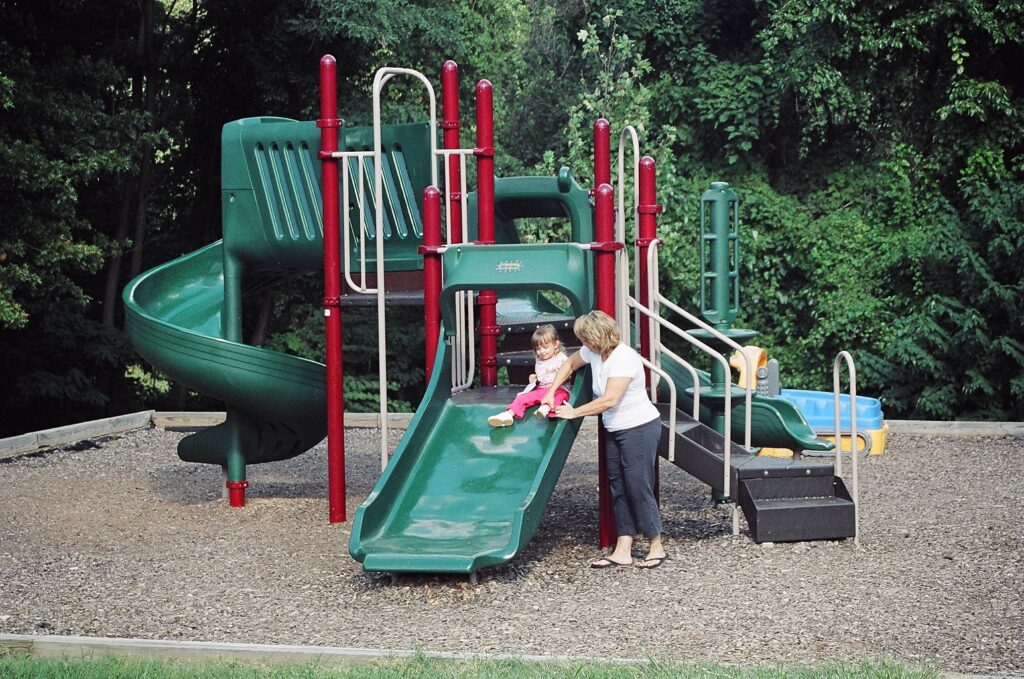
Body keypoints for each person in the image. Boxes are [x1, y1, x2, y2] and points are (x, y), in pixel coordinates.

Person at [541, 310, 667, 569]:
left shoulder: (624, 359)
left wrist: (575, 412)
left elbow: (610, 399)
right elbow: (569, 364)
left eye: (585, 338)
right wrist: (551, 390)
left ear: (597, 337)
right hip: (615, 428)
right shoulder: (593, 352)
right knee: (617, 485)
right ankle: (623, 547)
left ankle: (656, 544)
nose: (583, 344)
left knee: (638, 484)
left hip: (639, 427)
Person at [487, 324, 572, 427]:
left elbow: (567, 373)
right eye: (538, 349)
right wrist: (535, 379)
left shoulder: (560, 358)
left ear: (555, 344)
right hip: (542, 389)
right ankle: (508, 414)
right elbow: (543, 376)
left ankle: (546, 408)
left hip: (559, 388)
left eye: (545, 347)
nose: (542, 352)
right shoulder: (540, 360)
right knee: (523, 397)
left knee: (559, 396)